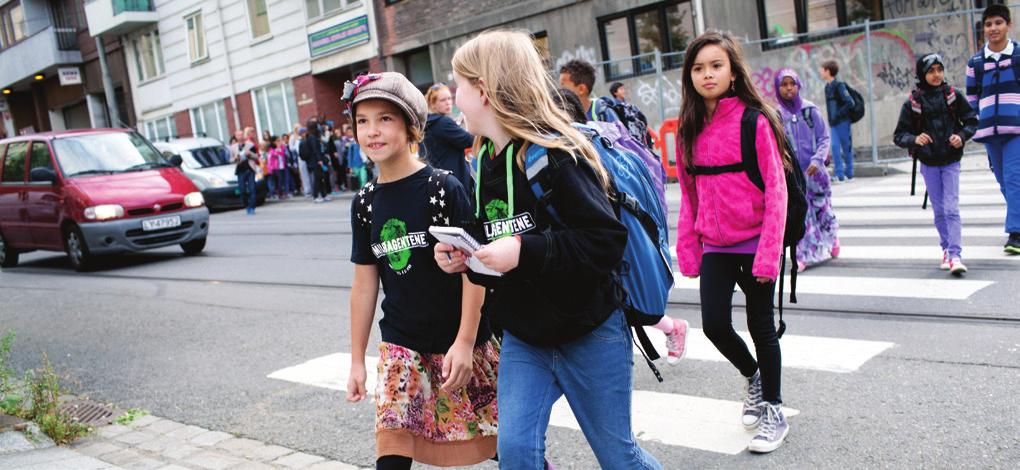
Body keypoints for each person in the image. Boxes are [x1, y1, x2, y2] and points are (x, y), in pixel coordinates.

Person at [437, 30, 662, 469]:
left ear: (483, 90)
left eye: (458, 85)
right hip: (525, 336)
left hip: (589, 330)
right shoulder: (482, 161)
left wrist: (525, 250)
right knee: (517, 455)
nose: (452, 96)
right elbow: (496, 249)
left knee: (619, 457)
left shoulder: (552, 154)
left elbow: (605, 240)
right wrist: (466, 259)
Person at [344, 71, 498, 470]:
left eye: (385, 119)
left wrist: (464, 342)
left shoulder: (442, 189)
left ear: (411, 127)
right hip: (402, 349)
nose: (371, 131)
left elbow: (475, 270)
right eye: (362, 121)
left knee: (507, 446)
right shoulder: (364, 204)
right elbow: (364, 285)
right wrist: (357, 359)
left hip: (461, 342)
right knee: (392, 455)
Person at [675, 31, 790, 453]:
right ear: (689, 75)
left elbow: (777, 191)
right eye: (699, 68)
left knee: (762, 329)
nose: (707, 74)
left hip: (756, 241)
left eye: (716, 66)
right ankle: (754, 378)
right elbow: (689, 195)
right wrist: (687, 246)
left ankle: (775, 409)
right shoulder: (688, 129)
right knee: (715, 325)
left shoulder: (753, 121)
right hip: (716, 246)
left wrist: (768, 254)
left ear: (732, 71)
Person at [552, 86, 690, 365]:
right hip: (610, 262)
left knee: (627, 309)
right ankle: (671, 327)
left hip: (613, 260)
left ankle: (673, 327)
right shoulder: (599, 145)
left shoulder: (587, 154)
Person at [896, 54, 979, 274]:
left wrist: (961, 136)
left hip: (951, 160)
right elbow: (899, 135)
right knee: (940, 210)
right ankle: (946, 248)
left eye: (939, 69)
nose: (936, 75)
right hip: (929, 162)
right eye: (931, 71)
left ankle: (955, 255)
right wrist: (915, 139)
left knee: (951, 208)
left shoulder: (953, 96)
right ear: (922, 74)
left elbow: (971, 120)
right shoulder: (913, 102)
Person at [966, 4, 1020, 254]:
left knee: (1013, 178)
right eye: (988, 24)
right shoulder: (975, 62)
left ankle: (1015, 234)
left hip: (1016, 130)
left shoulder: (1018, 56)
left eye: (998, 22)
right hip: (988, 132)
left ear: (1009, 25)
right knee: (1004, 182)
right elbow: (972, 100)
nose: (993, 28)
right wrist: (974, 124)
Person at [774, 68, 840, 272]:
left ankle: (832, 239)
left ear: (798, 85)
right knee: (800, 215)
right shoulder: (777, 115)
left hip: (816, 174)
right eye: (784, 85)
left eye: (792, 84)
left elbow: (824, 138)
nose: (788, 88)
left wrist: (818, 160)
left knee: (822, 209)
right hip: (794, 177)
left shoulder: (810, 111)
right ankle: (803, 254)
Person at [422, 83, 475, 189]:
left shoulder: (428, 122)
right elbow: (469, 141)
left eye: (449, 98)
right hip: (456, 178)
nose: (448, 103)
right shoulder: (443, 122)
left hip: (440, 179)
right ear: (432, 104)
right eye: (443, 100)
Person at [820, 59, 855, 182]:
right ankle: (839, 175)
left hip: (843, 122)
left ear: (828, 71)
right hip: (833, 124)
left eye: (822, 70)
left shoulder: (839, 85)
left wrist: (838, 115)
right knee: (834, 147)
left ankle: (849, 174)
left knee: (846, 147)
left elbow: (850, 102)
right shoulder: (827, 87)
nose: (821, 72)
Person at [301, 118, 331, 203]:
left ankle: (324, 195)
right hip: (315, 162)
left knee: (320, 178)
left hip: (314, 161)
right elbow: (315, 150)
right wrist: (319, 160)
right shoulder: (312, 137)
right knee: (318, 179)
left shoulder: (310, 136)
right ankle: (315, 196)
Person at [234, 127, 259, 215]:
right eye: (238, 135)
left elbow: (256, 156)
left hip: (250, 169)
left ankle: (252, 207)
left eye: (241, 134)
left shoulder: (250, 145)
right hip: (240, 170)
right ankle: (247, 205)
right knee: (242, 190)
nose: (240, 136)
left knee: (252, 189)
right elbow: (230, 159)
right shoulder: (233, 147)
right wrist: (235, 158)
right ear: (236, 136)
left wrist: (250, 154)